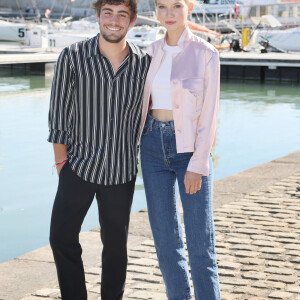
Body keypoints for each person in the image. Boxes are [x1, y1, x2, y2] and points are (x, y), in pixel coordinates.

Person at [47, 0, 150, 298]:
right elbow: (58, 115)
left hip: (121, 170)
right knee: (61, 238)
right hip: (78, 166)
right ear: (98, 16)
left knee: (116, 247)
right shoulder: (73, 56)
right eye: (108, 13)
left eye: (122, 14)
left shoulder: (145, 63)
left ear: (131, 20)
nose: (114, 21)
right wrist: (61, 164)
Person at [139, 0, 221, 299]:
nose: (169, 14)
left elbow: (210, 114)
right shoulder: (148, 52)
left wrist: (199, 163)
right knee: (165, 240)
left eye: (176, 5)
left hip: (189, 149)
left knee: (201, 242)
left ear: (188, 8)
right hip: (150, 146)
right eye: (162, 6)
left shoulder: (205, 54)